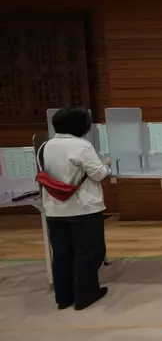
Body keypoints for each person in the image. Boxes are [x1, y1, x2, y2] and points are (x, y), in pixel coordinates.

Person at [40, 106, 111, 310]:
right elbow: (98, 174)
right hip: (83, 208)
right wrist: (106, 164)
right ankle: (85, 295)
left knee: (62, 253)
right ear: (81, 126)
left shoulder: (45, 146)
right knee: (87, 252)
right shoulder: (81, 146)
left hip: (54, 209)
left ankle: (64, 297)